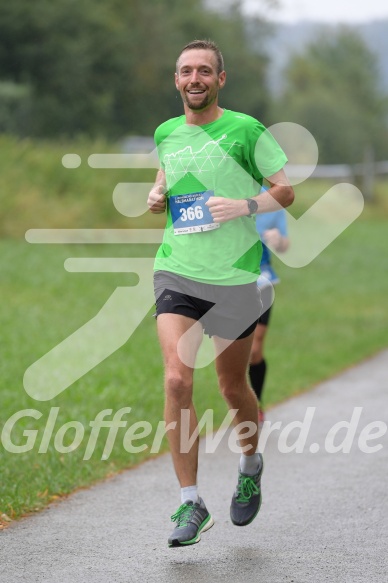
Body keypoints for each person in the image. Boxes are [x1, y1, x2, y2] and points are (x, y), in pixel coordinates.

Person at [147, 39, 294, 547]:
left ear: (220, 79)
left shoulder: (246, 130)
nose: (195, 79)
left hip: (233, 279)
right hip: (177, 272)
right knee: (175, 380)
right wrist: (157, 193)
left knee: (233, 388)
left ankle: (250, 462)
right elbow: (170, 179)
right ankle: (191, 504)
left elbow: (284, 190)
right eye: (186, 70)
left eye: (204, 71)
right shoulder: (166, 132)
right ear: (176, 79)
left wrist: (246, 206)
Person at [249, 200, 290, 424]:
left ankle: (255, 404)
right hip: (226, 281)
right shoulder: (222, 188)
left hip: (261, 281)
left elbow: (285, 244)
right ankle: (238, 401)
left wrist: (278, 240)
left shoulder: (271, 199)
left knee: (254, 349)